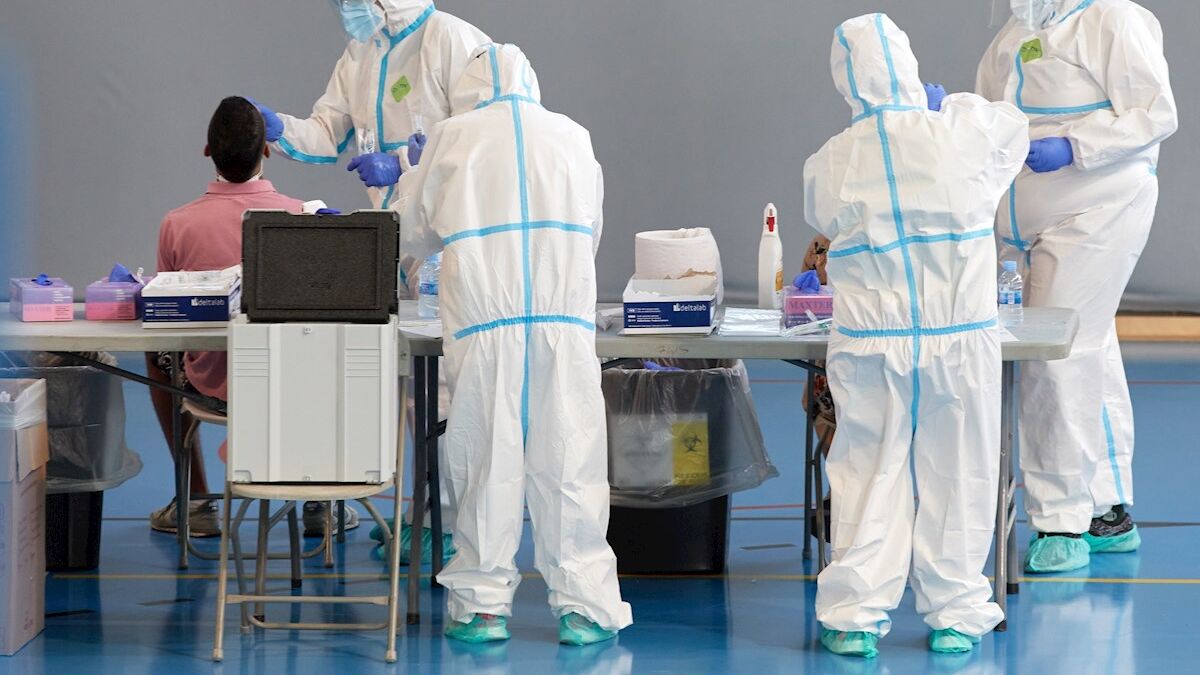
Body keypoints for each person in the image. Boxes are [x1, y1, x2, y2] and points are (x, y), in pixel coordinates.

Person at [804, 14, 1029, 657]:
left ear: (846, 80)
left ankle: (854, 614)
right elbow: (1013, 131)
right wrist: (947, 104)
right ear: (908, 65)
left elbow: (822, 216)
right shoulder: (962, 133)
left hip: (872, 343)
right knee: (959, 470)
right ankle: (956, 611)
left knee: (867, 472)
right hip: (958, 338)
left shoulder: (832, 160)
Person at [396, 43, 632, 646]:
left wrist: (413, 176)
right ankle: (584, 607)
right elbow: (591, 229)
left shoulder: (452, 136)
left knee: (484, 464)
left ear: (469, 88)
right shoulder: (573, 136)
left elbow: (412, 232)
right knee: (571, 464)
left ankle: (481, 607)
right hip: (562, 325)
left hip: (485, 326)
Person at [251, 0, 489, 559]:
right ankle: (426, 512)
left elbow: (481, 142)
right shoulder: (362, 51)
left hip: (450, 236)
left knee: (449, 388)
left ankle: (455, 528)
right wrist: (280, 128)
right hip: (397, 239)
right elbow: (328, 130)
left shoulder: (450, 41)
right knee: (414, 392)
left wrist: (403, 167)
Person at [977, 0, 1178, 573]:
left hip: (1098, 206)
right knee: (1091, 343)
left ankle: (1059, 518)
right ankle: (1105, 509)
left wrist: (1074, 145)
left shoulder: (1112, 18)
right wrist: (949, 115)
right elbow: (993, 118)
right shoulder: (1019, 28)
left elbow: (1155, 112)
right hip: (1027, 221)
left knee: (1056, 353)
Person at [146, 96, 347, 537]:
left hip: (209, 387)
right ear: (267, 150)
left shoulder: (177, 224)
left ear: (207, 151)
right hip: (290, 387)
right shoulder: (302, 217)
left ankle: (197, 500)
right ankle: (320, 500)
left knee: (157, 354)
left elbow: (168, 316)